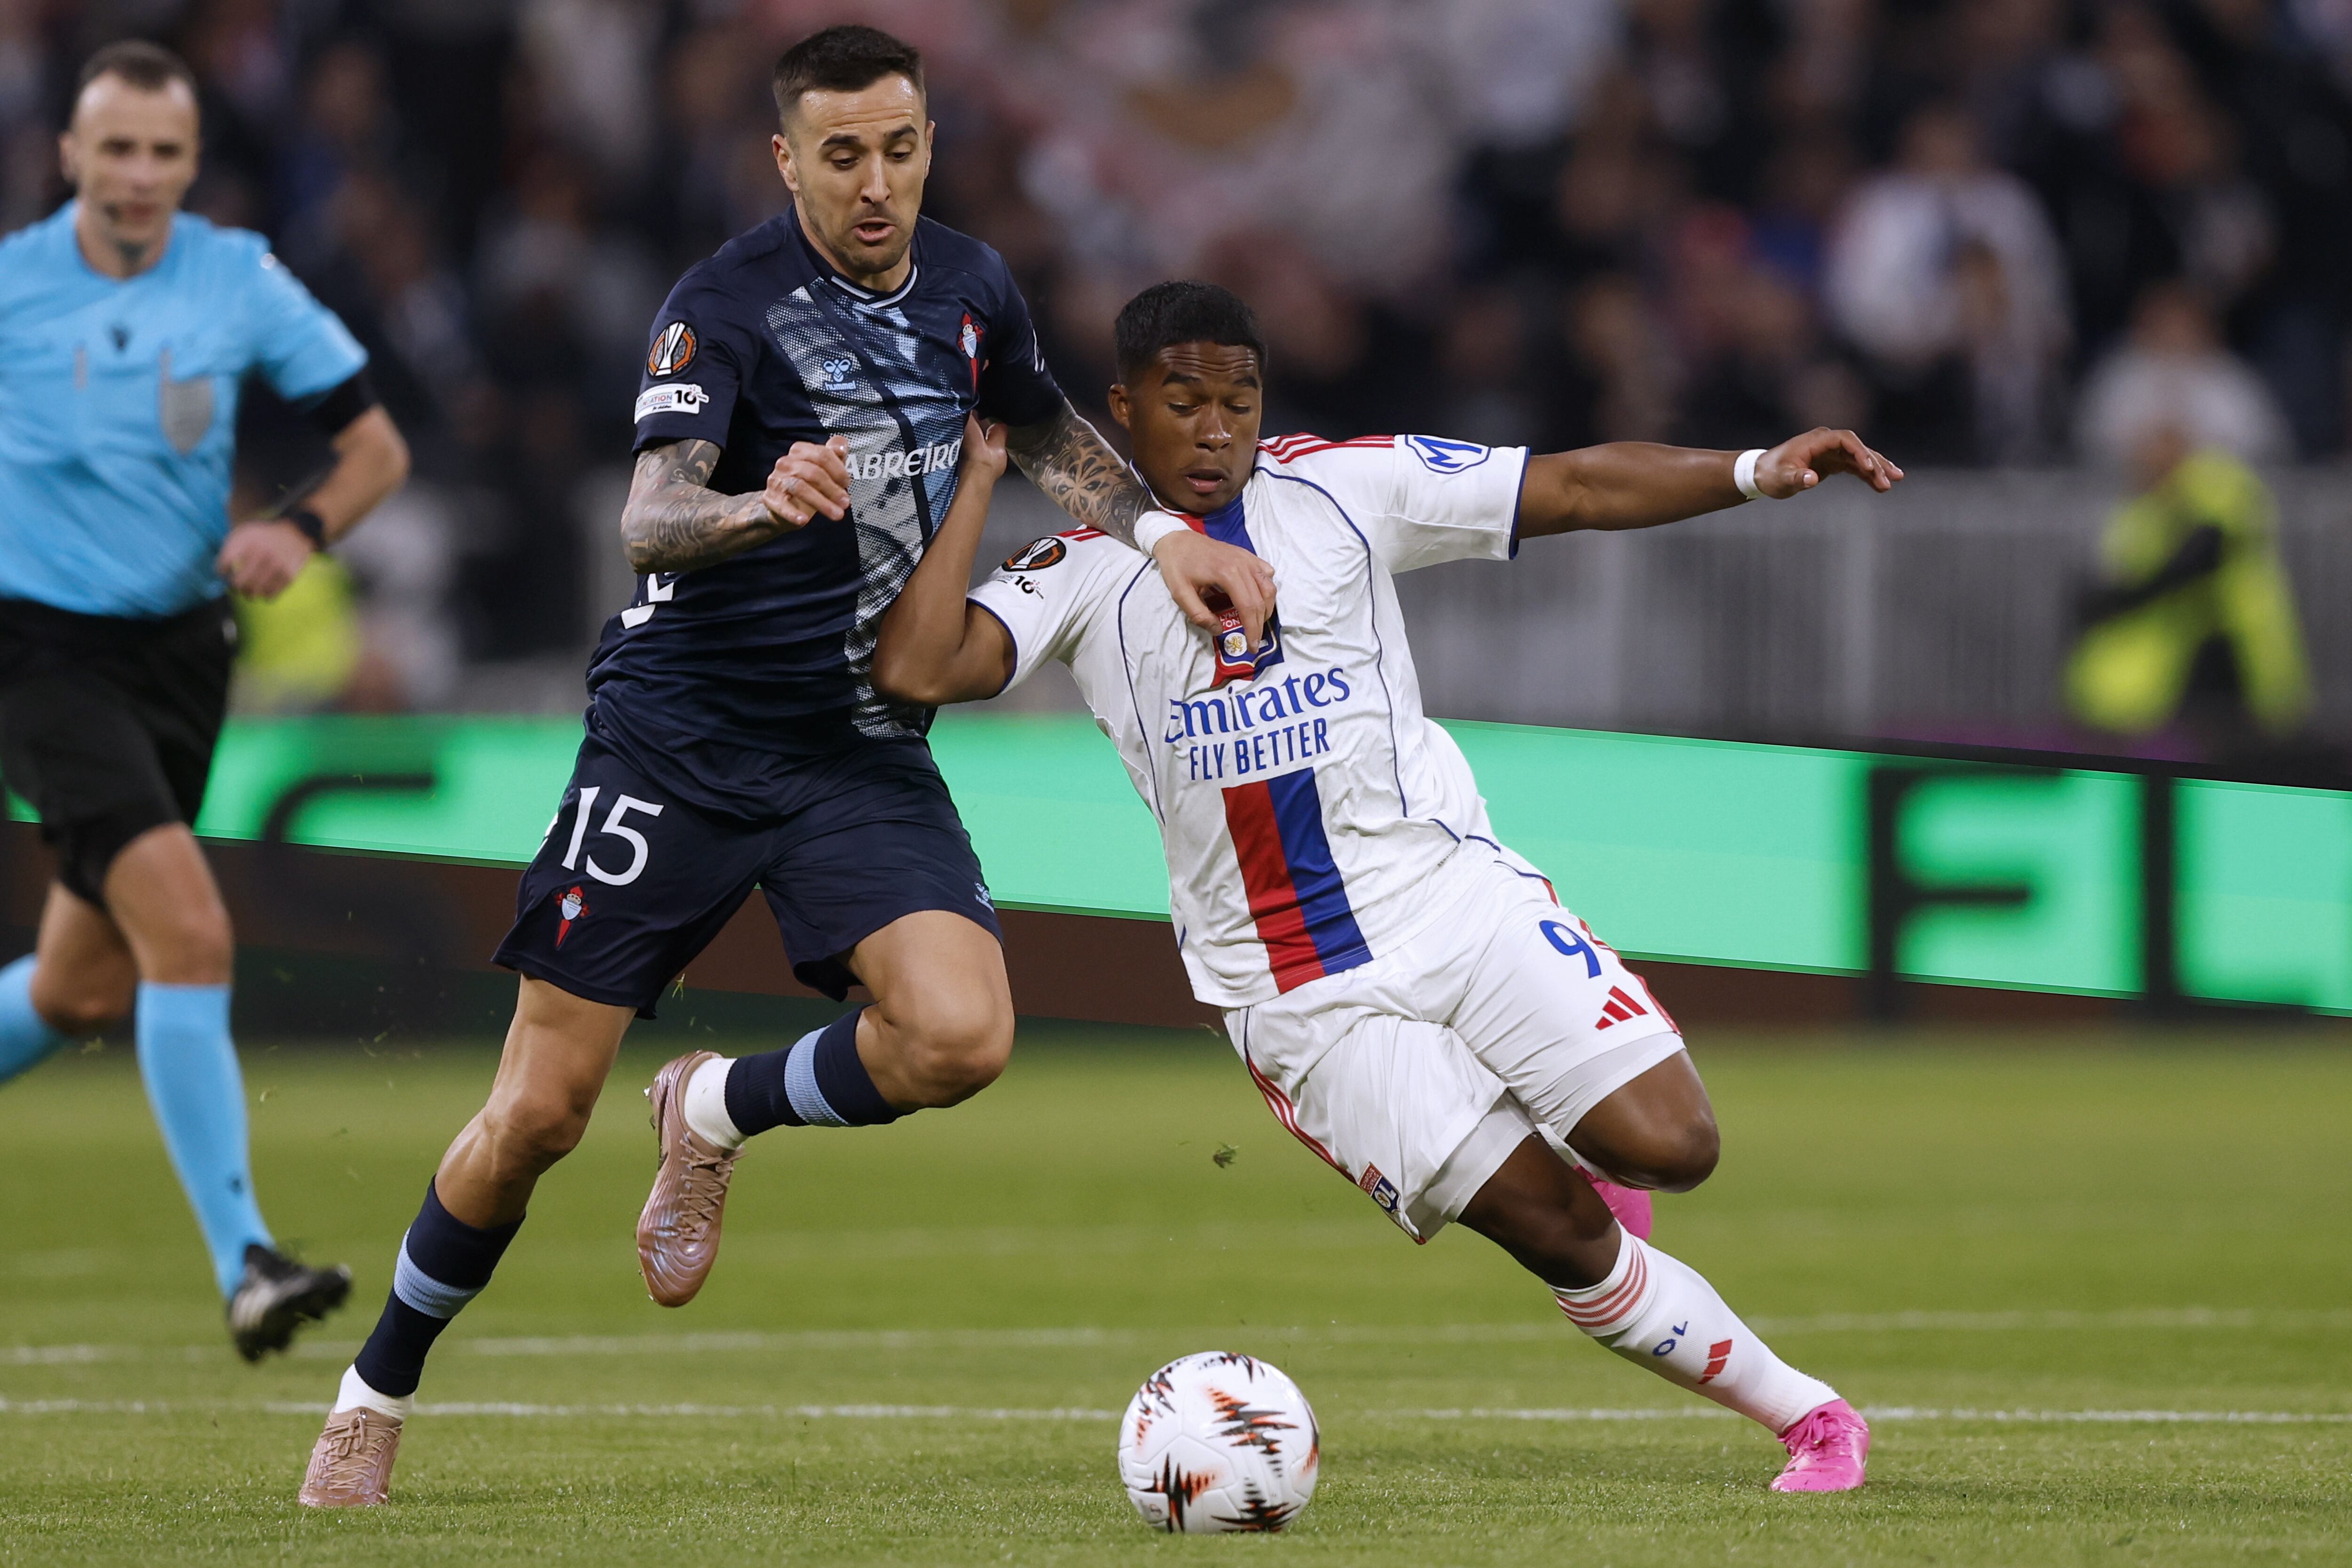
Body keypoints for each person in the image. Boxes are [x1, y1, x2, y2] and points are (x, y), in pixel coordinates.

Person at [297, 27, 1270, 1507]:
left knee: (961, 1035)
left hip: (856, 749)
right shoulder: (725, 304)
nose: (874, 183)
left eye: (898, 148)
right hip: (679, 739)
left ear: (929, 142)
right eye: (840, 155)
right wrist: (758, 505)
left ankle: (710, 1109)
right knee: (541, 1111)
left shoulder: (970, 283)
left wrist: (1164, 531)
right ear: (785, 158)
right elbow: (649, 518)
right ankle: (375, 1390)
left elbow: (1039, 419)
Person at [872, 282, 1903, 1491]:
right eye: (1184, 402)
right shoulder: (1080, 565)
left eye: (1239, 401)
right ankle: (1814, 1418)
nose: (1215, 429)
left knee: (1676, 1146)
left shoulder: (1342, 487)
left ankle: (1578, 1131)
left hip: (1452, 900)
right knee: (1558, 1232)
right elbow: (917, 664)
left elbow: (1566, 486)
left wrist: (1749, 469)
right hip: (1299, 996)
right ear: (1120, 410)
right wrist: (987, 483)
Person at [0, 43, 409, 1357]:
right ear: (68, 154)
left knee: (75, 983)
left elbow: (376, 447)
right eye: (114, 149)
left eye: (163, 153)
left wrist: (299, 530)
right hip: (36, 653)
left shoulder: (234, 277)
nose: (138, 176)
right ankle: (246, 1259)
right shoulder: (12, 291)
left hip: (182, 656)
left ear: (191, 163)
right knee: (190, 929)